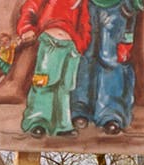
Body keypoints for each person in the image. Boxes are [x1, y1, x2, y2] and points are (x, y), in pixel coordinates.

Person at [15, 0, 90, 138]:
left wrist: (81, 43)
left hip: (71, 46)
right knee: (43, 82)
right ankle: (37, 120)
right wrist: (26, 27)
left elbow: (85, 20)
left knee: (65, 86)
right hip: (51, 40)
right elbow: (31, 6)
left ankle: (63, 125)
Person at [71, 0, 144, 135]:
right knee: (85, 56)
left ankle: (111, 114)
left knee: (111, 58)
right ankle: (80, 108)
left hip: (117, 6)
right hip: (86, 5)